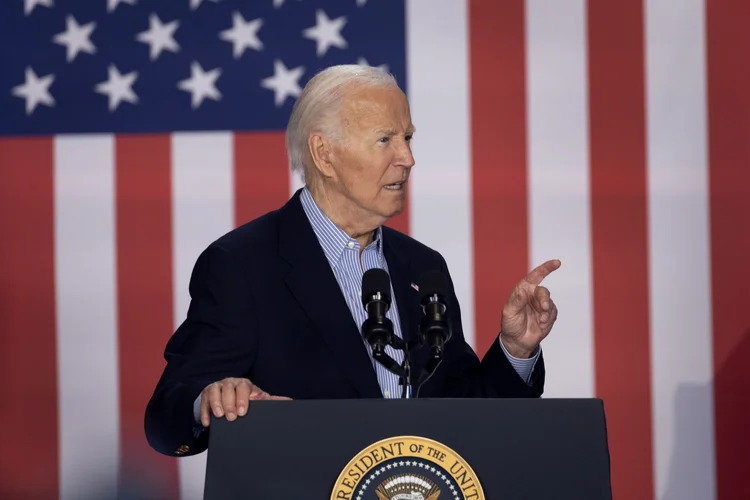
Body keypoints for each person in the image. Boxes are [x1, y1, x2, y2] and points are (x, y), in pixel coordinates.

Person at [144, 64, 560, 458]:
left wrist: (515, 349)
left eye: (408, 138)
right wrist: (211, 398)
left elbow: (461, 410)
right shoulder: (242, 265)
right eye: (385, 139)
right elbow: (166, 416)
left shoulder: (421, 267)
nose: (407, 158)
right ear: (324, 154)